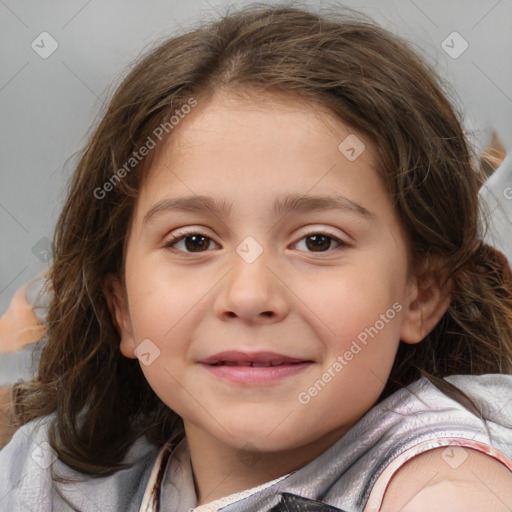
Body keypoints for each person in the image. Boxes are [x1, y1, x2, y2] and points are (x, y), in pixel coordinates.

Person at [1, 4, 511, 511]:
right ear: (123, 308)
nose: (249, 296)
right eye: (194, 241)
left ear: (419, 294)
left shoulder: (449, 477)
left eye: (318, 241)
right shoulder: (53, 476)